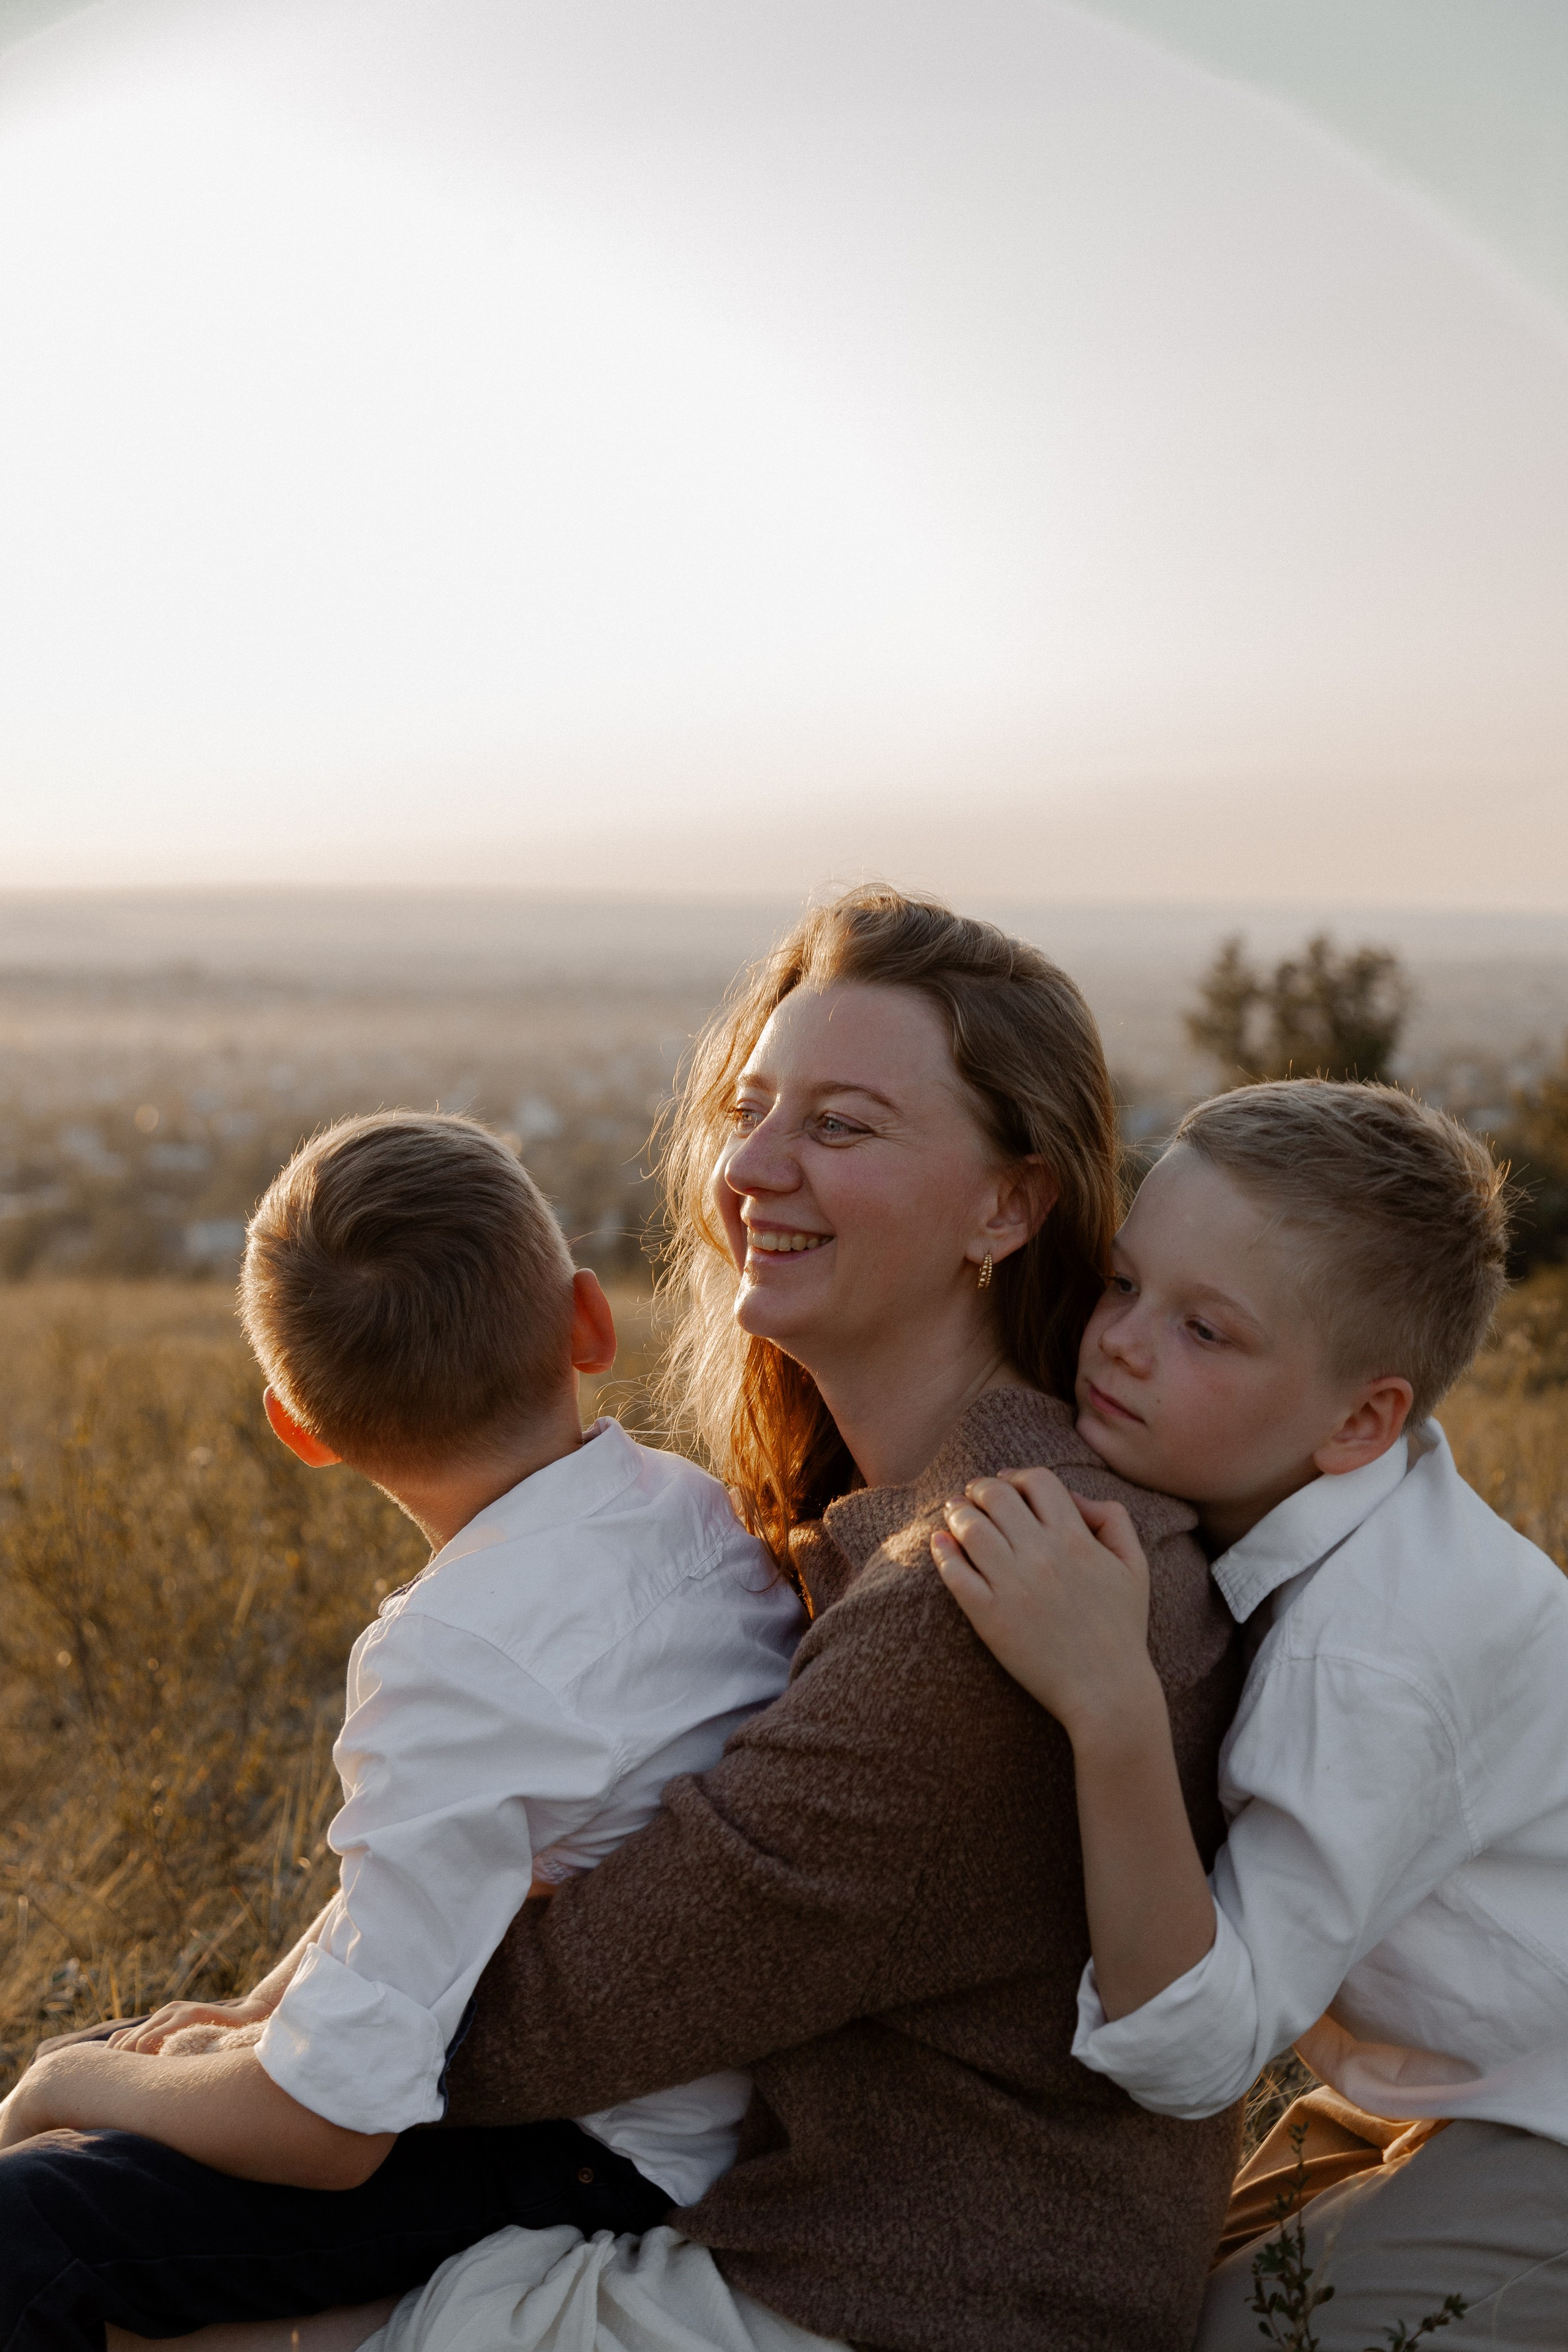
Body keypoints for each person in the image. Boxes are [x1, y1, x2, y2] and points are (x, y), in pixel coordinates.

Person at [299, 888, 1244, 2352]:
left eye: (841, 1126)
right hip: (841, 2255)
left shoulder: (982, 1578)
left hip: (902, 2303)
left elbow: (555, 2024)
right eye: (750, 1107)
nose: (749, 1166)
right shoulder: (898, 1513)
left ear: (1009, 1203)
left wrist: (291, 2021)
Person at [0, 1110, 804, 2348]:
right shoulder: (684, 1512)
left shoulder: (456, 1655)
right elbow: (454, 1874)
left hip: (590, 2156)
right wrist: (265, 2005)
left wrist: (65, 2078)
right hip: (658, 2105)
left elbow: (330, 2132)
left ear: (300, 1431)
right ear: (589, 1322)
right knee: (146, 2063)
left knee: (34, 2213)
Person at [935, 1078, 1568, 2350]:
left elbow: (1196, 2051)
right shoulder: (1323, 1508)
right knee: (1128, 2293)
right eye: (1123, 1286)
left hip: (1546, 2116)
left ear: (1358, 1421)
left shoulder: (1368, 1656)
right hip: (1446, 2084)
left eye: (1205, 1332)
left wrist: (1106, 1699)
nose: (1117, 1341)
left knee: (1232, 2338)